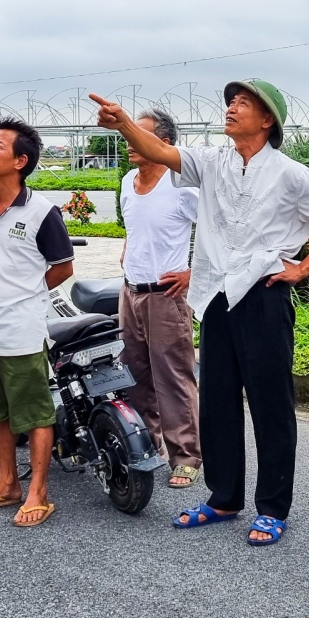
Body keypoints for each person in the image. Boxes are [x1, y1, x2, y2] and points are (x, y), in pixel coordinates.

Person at [91, 80, 309, 546]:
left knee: (271, 406)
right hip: (216, 297)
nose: (231, 108)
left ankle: (272, 507)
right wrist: (124, 123)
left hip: (264, 295)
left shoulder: (290, 174)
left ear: (268, 120)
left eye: (243, 103)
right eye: (230, 102)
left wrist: (304, 266)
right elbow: (160, 152)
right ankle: (223, 498)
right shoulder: (211, 161)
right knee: (218, 400)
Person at [0, 118, 75, 528]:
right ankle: (7, 484)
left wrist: (25, 292)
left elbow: (62, 267)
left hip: (19, 328)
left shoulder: (42, 212)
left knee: (35, 412)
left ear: (21, 161)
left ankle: (38, 492)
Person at [118, 108, 204, 489]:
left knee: (173, 376)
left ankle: (185, 455)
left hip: (165, 297)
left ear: (163, 143)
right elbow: (136, 230)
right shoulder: (126, 182)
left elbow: (218, 230)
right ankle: (148, 445)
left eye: (139, 133)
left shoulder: (181, 185)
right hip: (130, 292)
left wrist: (192, 273)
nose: (129, 141)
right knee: (134, 376)